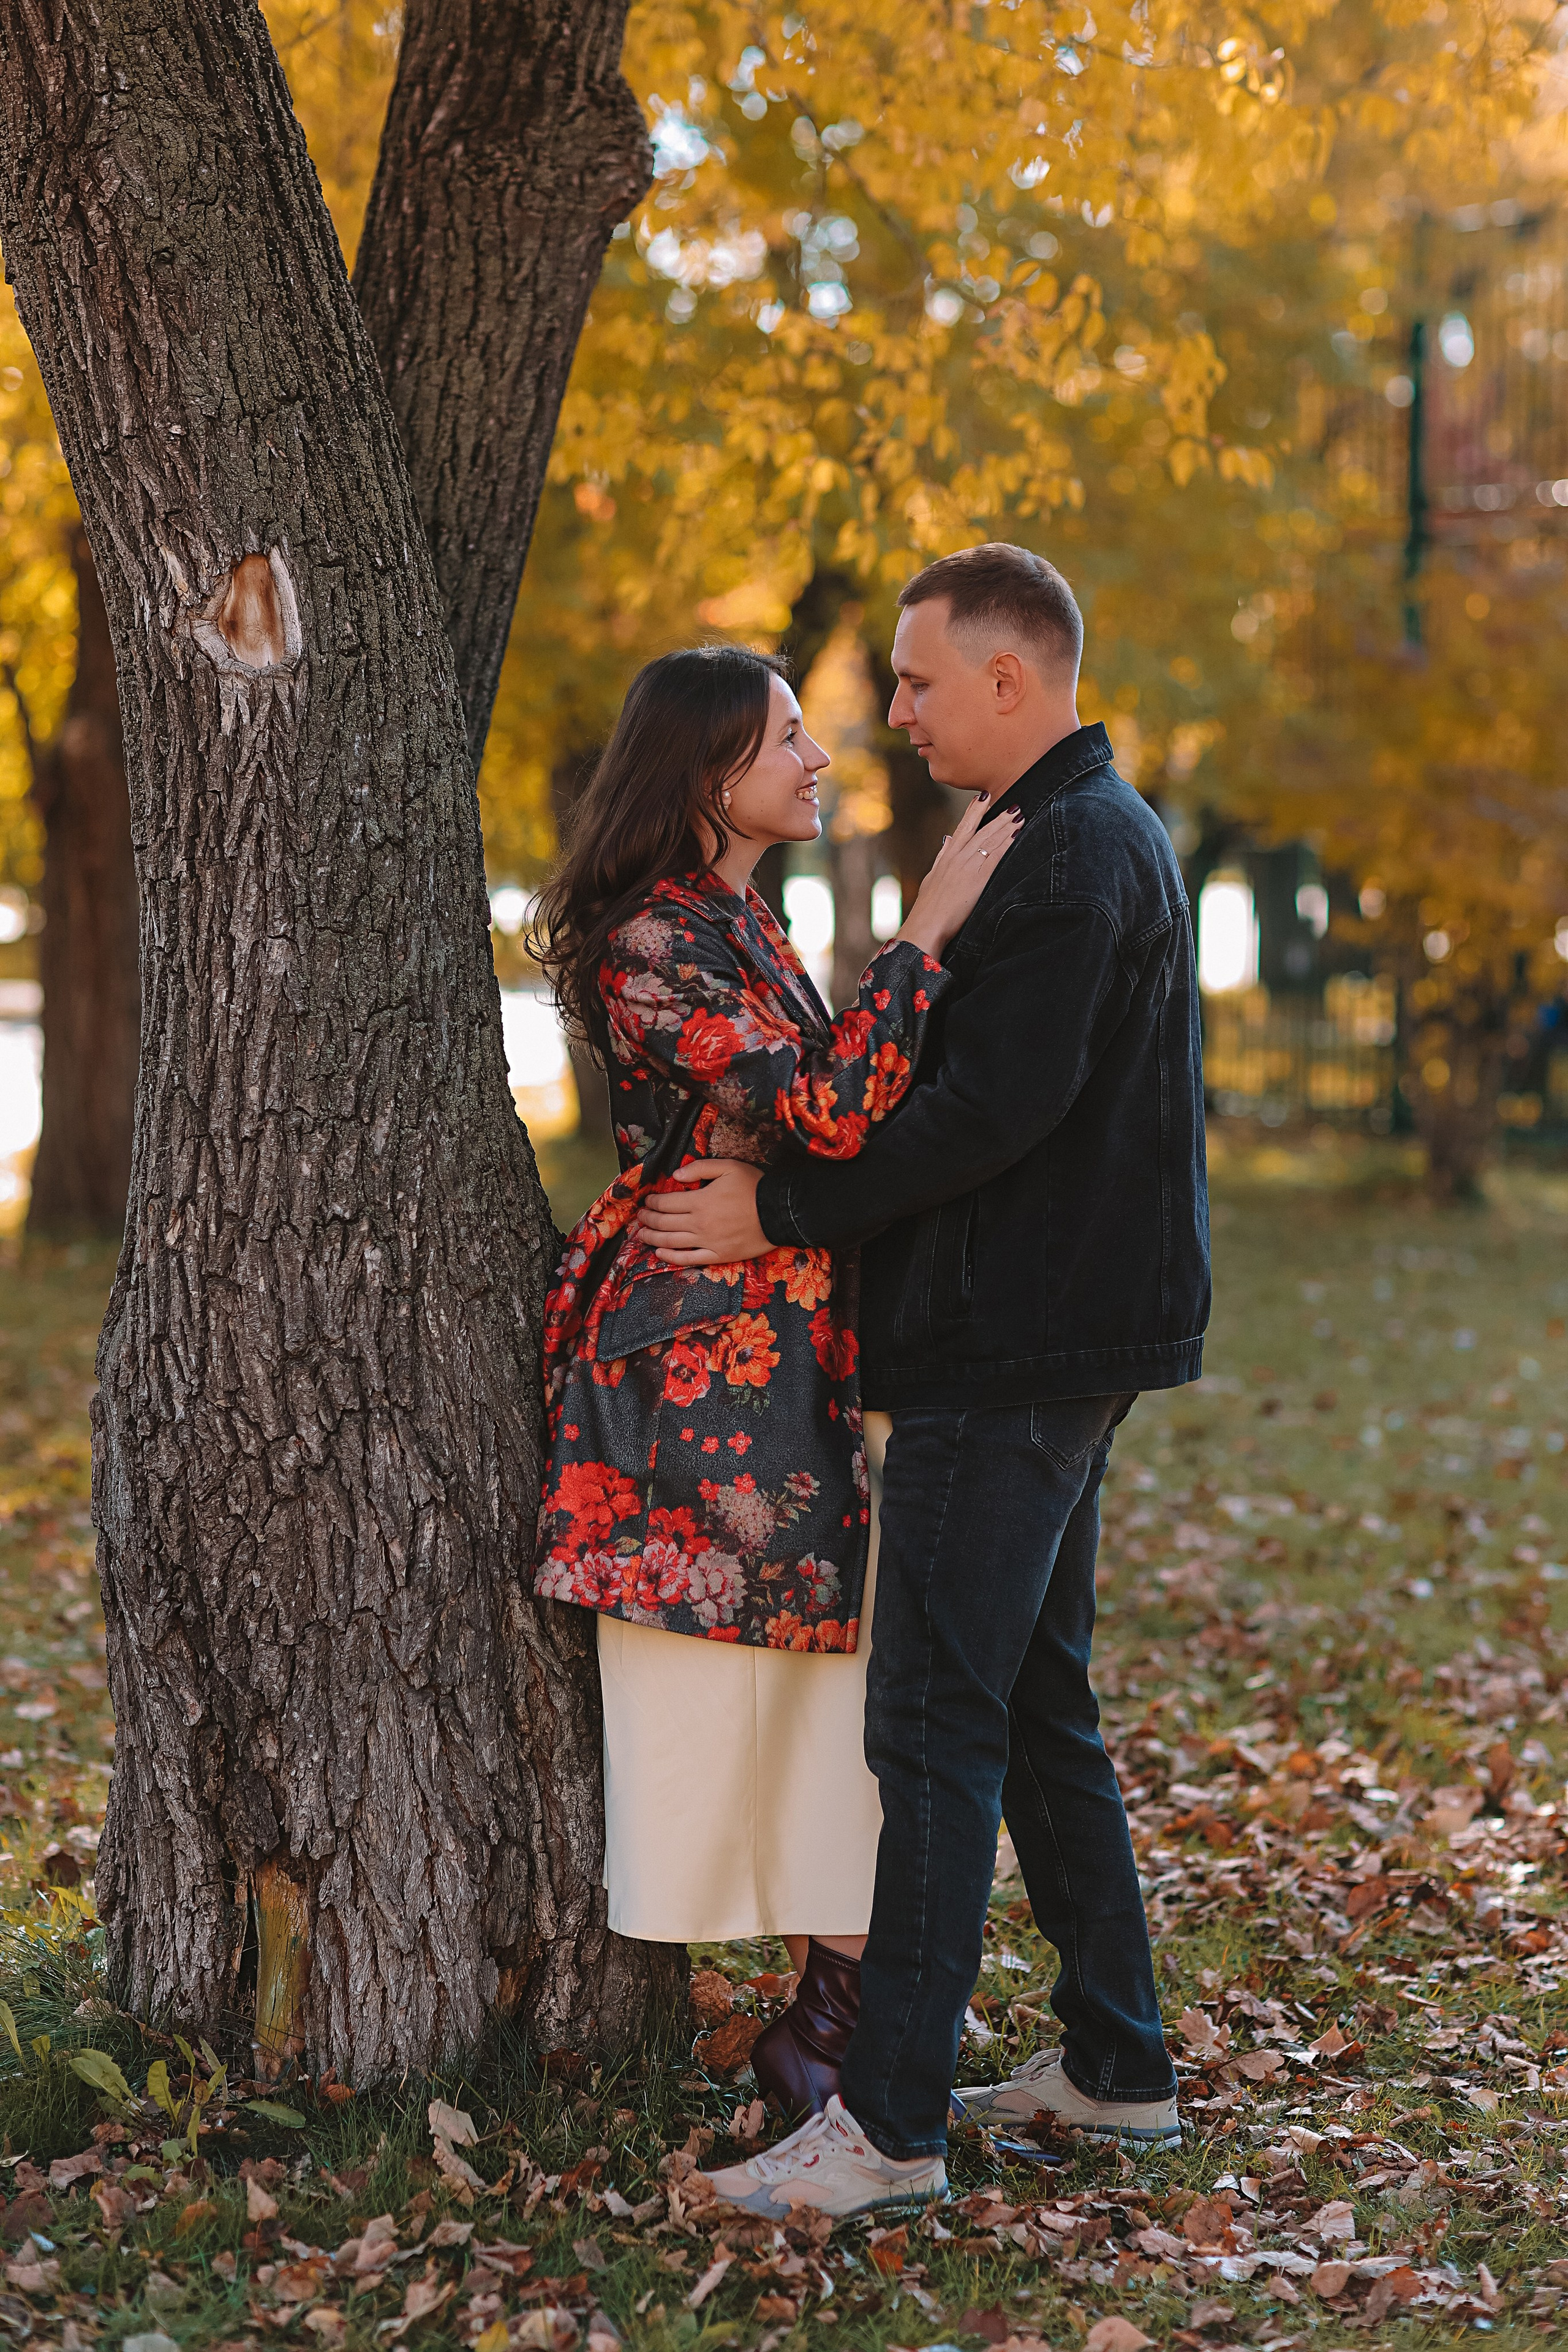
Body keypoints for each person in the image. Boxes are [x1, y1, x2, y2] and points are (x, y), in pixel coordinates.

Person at [635, 544, 1210, 2218]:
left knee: (935, 1728)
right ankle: (1117, 2069)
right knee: (1036, 1710)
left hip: (1010, 1346)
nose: (892, 710)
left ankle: (884, 2133)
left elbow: (984, 1119)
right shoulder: (1050, 838)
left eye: (917, 679)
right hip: (1045, 1335)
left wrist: (782, 1206)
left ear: (1011, 682)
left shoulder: (1072, 854)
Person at [530, 642, 1020, 2120]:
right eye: (787, 737)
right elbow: (822, 1108)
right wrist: (925, 929)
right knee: (740, 1681)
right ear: (703, 773)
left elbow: (831, 1136)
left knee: (825, 1686)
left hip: (778, 1352)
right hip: (688, 1383)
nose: (818, 759)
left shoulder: (740, 921)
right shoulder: (647, 941)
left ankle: (831, 2022)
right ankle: (831, 2024)